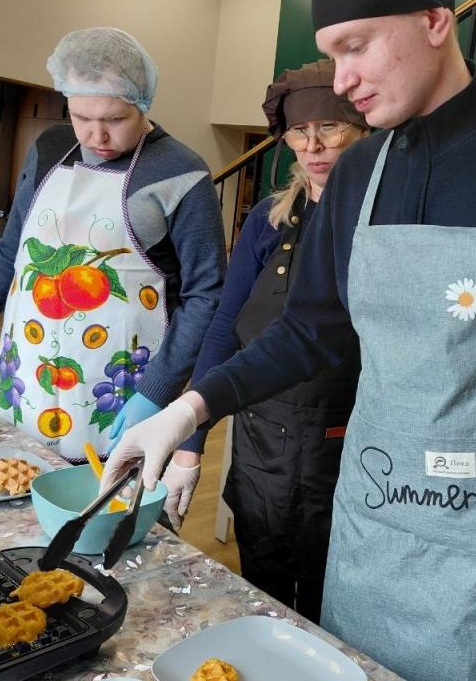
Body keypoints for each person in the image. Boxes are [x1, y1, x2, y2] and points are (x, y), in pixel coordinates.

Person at [103, 0, 476, 681]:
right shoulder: (357, 176)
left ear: (435, 20)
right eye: (332, 54)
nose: (343, 79)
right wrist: (190, 410)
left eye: (356, 47)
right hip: (370, 530)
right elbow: (311, 331)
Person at [0, 27, 225, 462]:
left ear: (143, 103)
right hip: (28, 376)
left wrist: (157, 390)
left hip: (123, 385)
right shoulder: (50, 148)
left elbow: (206, 294)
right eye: (81, 117)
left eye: (114, 120)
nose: (96, 136)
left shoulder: (181, 172)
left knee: (105, 500)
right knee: (17, 483)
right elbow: (11, 256)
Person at [162, 59, 368, 622]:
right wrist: (190, 441)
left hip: (345, 443)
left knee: (332, 605)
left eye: (330, 127)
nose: (313, 146)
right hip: (260, 443)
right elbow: (224, 327)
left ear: (363, 129)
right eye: (299, 131)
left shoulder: (382, 224)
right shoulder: (267, 221)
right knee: (263, 590)